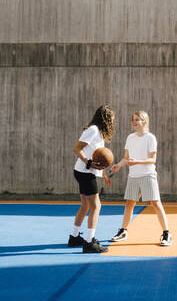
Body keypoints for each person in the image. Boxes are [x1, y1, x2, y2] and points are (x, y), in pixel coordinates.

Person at [110, 110, 172, 246]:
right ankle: (123, 231)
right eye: (133, 119)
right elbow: (126, 158)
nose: (134, 122)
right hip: (133, 176)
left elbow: (152, 159)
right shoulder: (130, 138)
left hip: (148, 175)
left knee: (155, 203)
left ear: (144, 121)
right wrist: (119, 165)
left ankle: (167, 233)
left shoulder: (150, 138)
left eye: (137, 119)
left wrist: (137, 161)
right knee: (129, 204)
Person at [68, 105, 115, 253]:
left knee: (86, 205)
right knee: (96, 205)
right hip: (84, 172)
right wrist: (88, 162)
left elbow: (98, 158)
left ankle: (74, 236)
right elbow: (77, 148)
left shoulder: (98, 133)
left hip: (84, 172)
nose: (112, 122)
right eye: (111, 119)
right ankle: (89, 242)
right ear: (105, 118)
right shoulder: (93, 130)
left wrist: (105, 174)